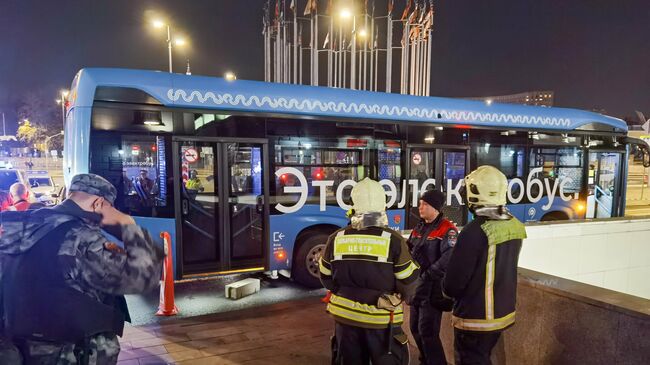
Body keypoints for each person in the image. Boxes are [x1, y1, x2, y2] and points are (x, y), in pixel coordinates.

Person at [0, 173, 164, 364]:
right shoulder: (81, 237)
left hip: (17, 347)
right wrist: (129, 226)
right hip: (70, 351)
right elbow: (143, 277)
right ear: (98, 203)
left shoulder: (18, 225)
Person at [319, 178, 420, 365]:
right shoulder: (394, 240)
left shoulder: (336, 238)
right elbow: (409, 282)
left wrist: (347, 291)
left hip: (345, 319)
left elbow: (325, 276)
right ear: (383, 205)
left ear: (354, 206)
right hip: (382, 323)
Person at [442, 166, 527, 365]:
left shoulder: (474, 231)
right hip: (502, 315)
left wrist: (444, 293)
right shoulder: (515, 225)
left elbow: (453, 283)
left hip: (475, 319)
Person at [407, 189, 458, 365]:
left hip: (431, 290)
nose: (420, 207)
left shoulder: (448, 230)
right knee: (414, 329)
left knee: (427, 332)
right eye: (420, 203)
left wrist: (427, 275)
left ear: (435, 208)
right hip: (416, 288)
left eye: (425, 204)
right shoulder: (419, 227)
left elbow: (449, 259)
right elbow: (409, 250)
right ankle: (425, 360)